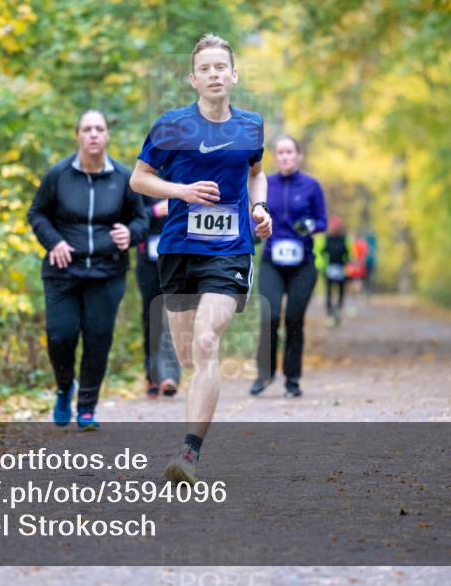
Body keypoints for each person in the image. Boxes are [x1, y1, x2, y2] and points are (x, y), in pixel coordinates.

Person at [130, 33, 272, 484]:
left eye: (221, 67)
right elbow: (139, 179)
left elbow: (256, 173)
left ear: (235, 75)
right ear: (193, 79)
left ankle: (189, 454)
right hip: (177, 249)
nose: (214, 74)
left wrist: (259, 208)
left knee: (208, 342)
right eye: (205, 68)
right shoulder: (171, 126)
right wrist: (181, 191)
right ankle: (191, 432)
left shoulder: (250, 126)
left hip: (230, 251)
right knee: (191, 353)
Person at [27, 110, 149, 430]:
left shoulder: (124, 177)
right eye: (87, 129)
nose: (93, 134)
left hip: (107, 273)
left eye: (99, 129)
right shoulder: (59, 175)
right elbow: (37, 214)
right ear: (77, 135)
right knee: (60, 335)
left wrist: (131, 233)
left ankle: (87, 408)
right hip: (63, 271)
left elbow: (142, 218)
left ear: (108, 135)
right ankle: (65, 386)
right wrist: (54, 242)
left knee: (98, 338)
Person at [250, 135, 326, 398]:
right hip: (272, 262)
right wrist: (254, 231)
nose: (285, 157)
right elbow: (253, 217)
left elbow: (322, 221)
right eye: (280, 153)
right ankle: (264, 374)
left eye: (289, 152)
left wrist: (310, 226)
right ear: (276, 156)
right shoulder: (265, 184)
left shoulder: (311, 185)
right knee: (269, 316)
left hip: (302, 265)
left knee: (294, 319)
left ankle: (292, 380)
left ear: (298, 156)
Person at [135, 194, 181, 397]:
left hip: (178, 258)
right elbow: (130, 217)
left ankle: (170, 376)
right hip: (148, 263)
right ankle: (152, 376)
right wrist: (153, 212)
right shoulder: (139, 179)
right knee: (151, 318)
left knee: (176, 317)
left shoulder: (181, 171)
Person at [322, 215, 349, 326]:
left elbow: (347, 252)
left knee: (338, 291)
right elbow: (323, 251)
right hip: (332, 267)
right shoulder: (329, 239)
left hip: (338, 267)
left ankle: (337, 310)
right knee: (331, 291)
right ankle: (331, 312)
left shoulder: (343, 238)